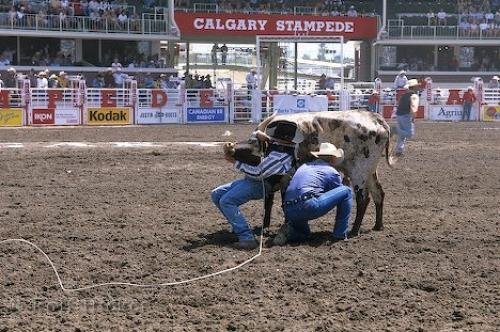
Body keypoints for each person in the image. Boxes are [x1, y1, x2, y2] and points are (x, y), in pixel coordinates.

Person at [212, 126, 296, 250]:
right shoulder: (279, 148)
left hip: (261, 184)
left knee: (227, 201)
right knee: (216, 194)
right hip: (253, 181)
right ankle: (239, 227)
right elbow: (254, 142)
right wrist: (256, 134)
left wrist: (235, 162)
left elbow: (258, 173)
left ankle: (247, 238)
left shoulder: (280, 157)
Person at [273, 143, 352, 245]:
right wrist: (345, 184)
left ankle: (289, 232)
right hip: (308, 205)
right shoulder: (332, 171)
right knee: (346, 191)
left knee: (304, 234)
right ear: (333, 158)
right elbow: (337, 194)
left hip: (289, 209)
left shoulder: (304, 167)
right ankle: (340, 234)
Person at [395, 78, 420, 156]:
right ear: (414, 87)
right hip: (405, 115)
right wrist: (413, 116)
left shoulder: (404, 95)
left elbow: (400, 105)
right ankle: (394, 130)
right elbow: (413, 107)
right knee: (409, 134)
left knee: (402, 135)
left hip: (399, 114)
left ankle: (399, 150)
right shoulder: (414, 96)